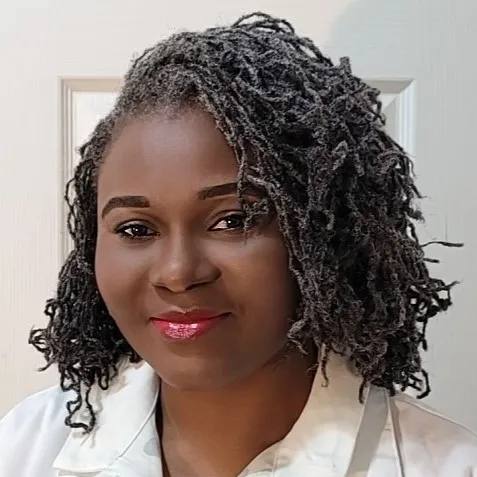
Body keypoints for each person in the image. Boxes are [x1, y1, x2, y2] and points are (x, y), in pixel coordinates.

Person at [0, 12, 475, 477]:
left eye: (233, 220)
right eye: (136, 229)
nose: (177, 273)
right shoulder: (25, 447)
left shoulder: (448, 466)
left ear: (324, 235)